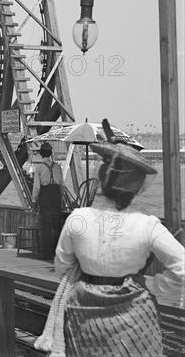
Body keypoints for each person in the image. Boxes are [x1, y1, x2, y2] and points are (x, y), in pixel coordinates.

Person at [42, 141, 185, 357]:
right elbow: (182, 267)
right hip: (136, 322)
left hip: (84, 320)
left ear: (101, 177)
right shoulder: (147, 225)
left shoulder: (78, 219)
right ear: (137, 188)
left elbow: (62, 266)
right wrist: (154, 286)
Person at [31, 141, 64, 259]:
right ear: (50, 153)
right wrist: (61, 197)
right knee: (56, 224)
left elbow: (36, 187)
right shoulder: (58, 166)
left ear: (41, 154)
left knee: (46, 225)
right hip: (55, 196)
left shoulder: (39, 168)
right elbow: (62, 185)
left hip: (45, 196)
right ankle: (57, 251)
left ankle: (46, 252)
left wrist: (34, 200)